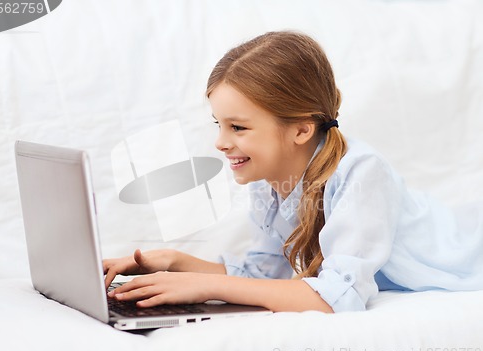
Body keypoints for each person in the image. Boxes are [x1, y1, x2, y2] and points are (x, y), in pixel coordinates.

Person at [103, 31, 483, 313]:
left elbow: (338, 298)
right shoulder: (270, 181)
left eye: (237, 127)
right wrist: (175, 261)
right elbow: (264, 273)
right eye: (217, 124)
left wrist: (201, 287)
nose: (219, 143)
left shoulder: (362, 173)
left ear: (301, 129)